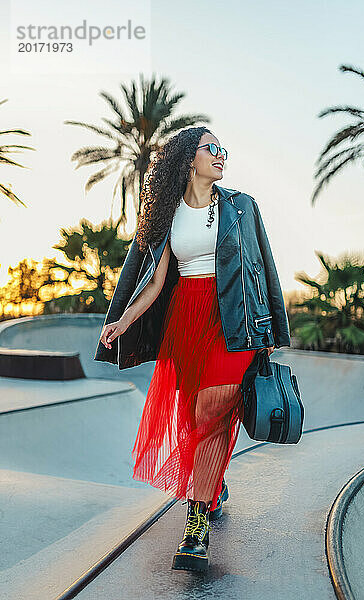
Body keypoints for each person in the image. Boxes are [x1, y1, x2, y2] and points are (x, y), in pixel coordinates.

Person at [96, 126, 290, 573]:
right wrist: (122, 321)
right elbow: (154, 280)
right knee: (192, 417)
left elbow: (263, 265)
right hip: (186, 320)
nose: (221, 155)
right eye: (212, 149)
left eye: (224, 149)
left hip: (234, 320)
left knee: (215, 407)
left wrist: (272, 328)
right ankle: (211, 484)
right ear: (189, 159)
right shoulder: (166, 215)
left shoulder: (241, 208)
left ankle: (195, 527)